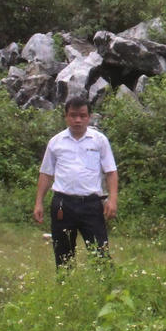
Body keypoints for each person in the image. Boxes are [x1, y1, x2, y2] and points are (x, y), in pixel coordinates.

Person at [33, 97, 118, 266]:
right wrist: (38, 203)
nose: (77, 120)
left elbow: (111, 172)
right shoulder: (56, 142)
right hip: (63, 206)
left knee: (100, 252)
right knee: (63, 255)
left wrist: (113, 200)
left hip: (92, 205)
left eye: (82, 115)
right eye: (73, 115)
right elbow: (46, 174)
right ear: (66, 116)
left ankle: (105, 289)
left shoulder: (99, 140)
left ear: (89, 117)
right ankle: (65, 288)